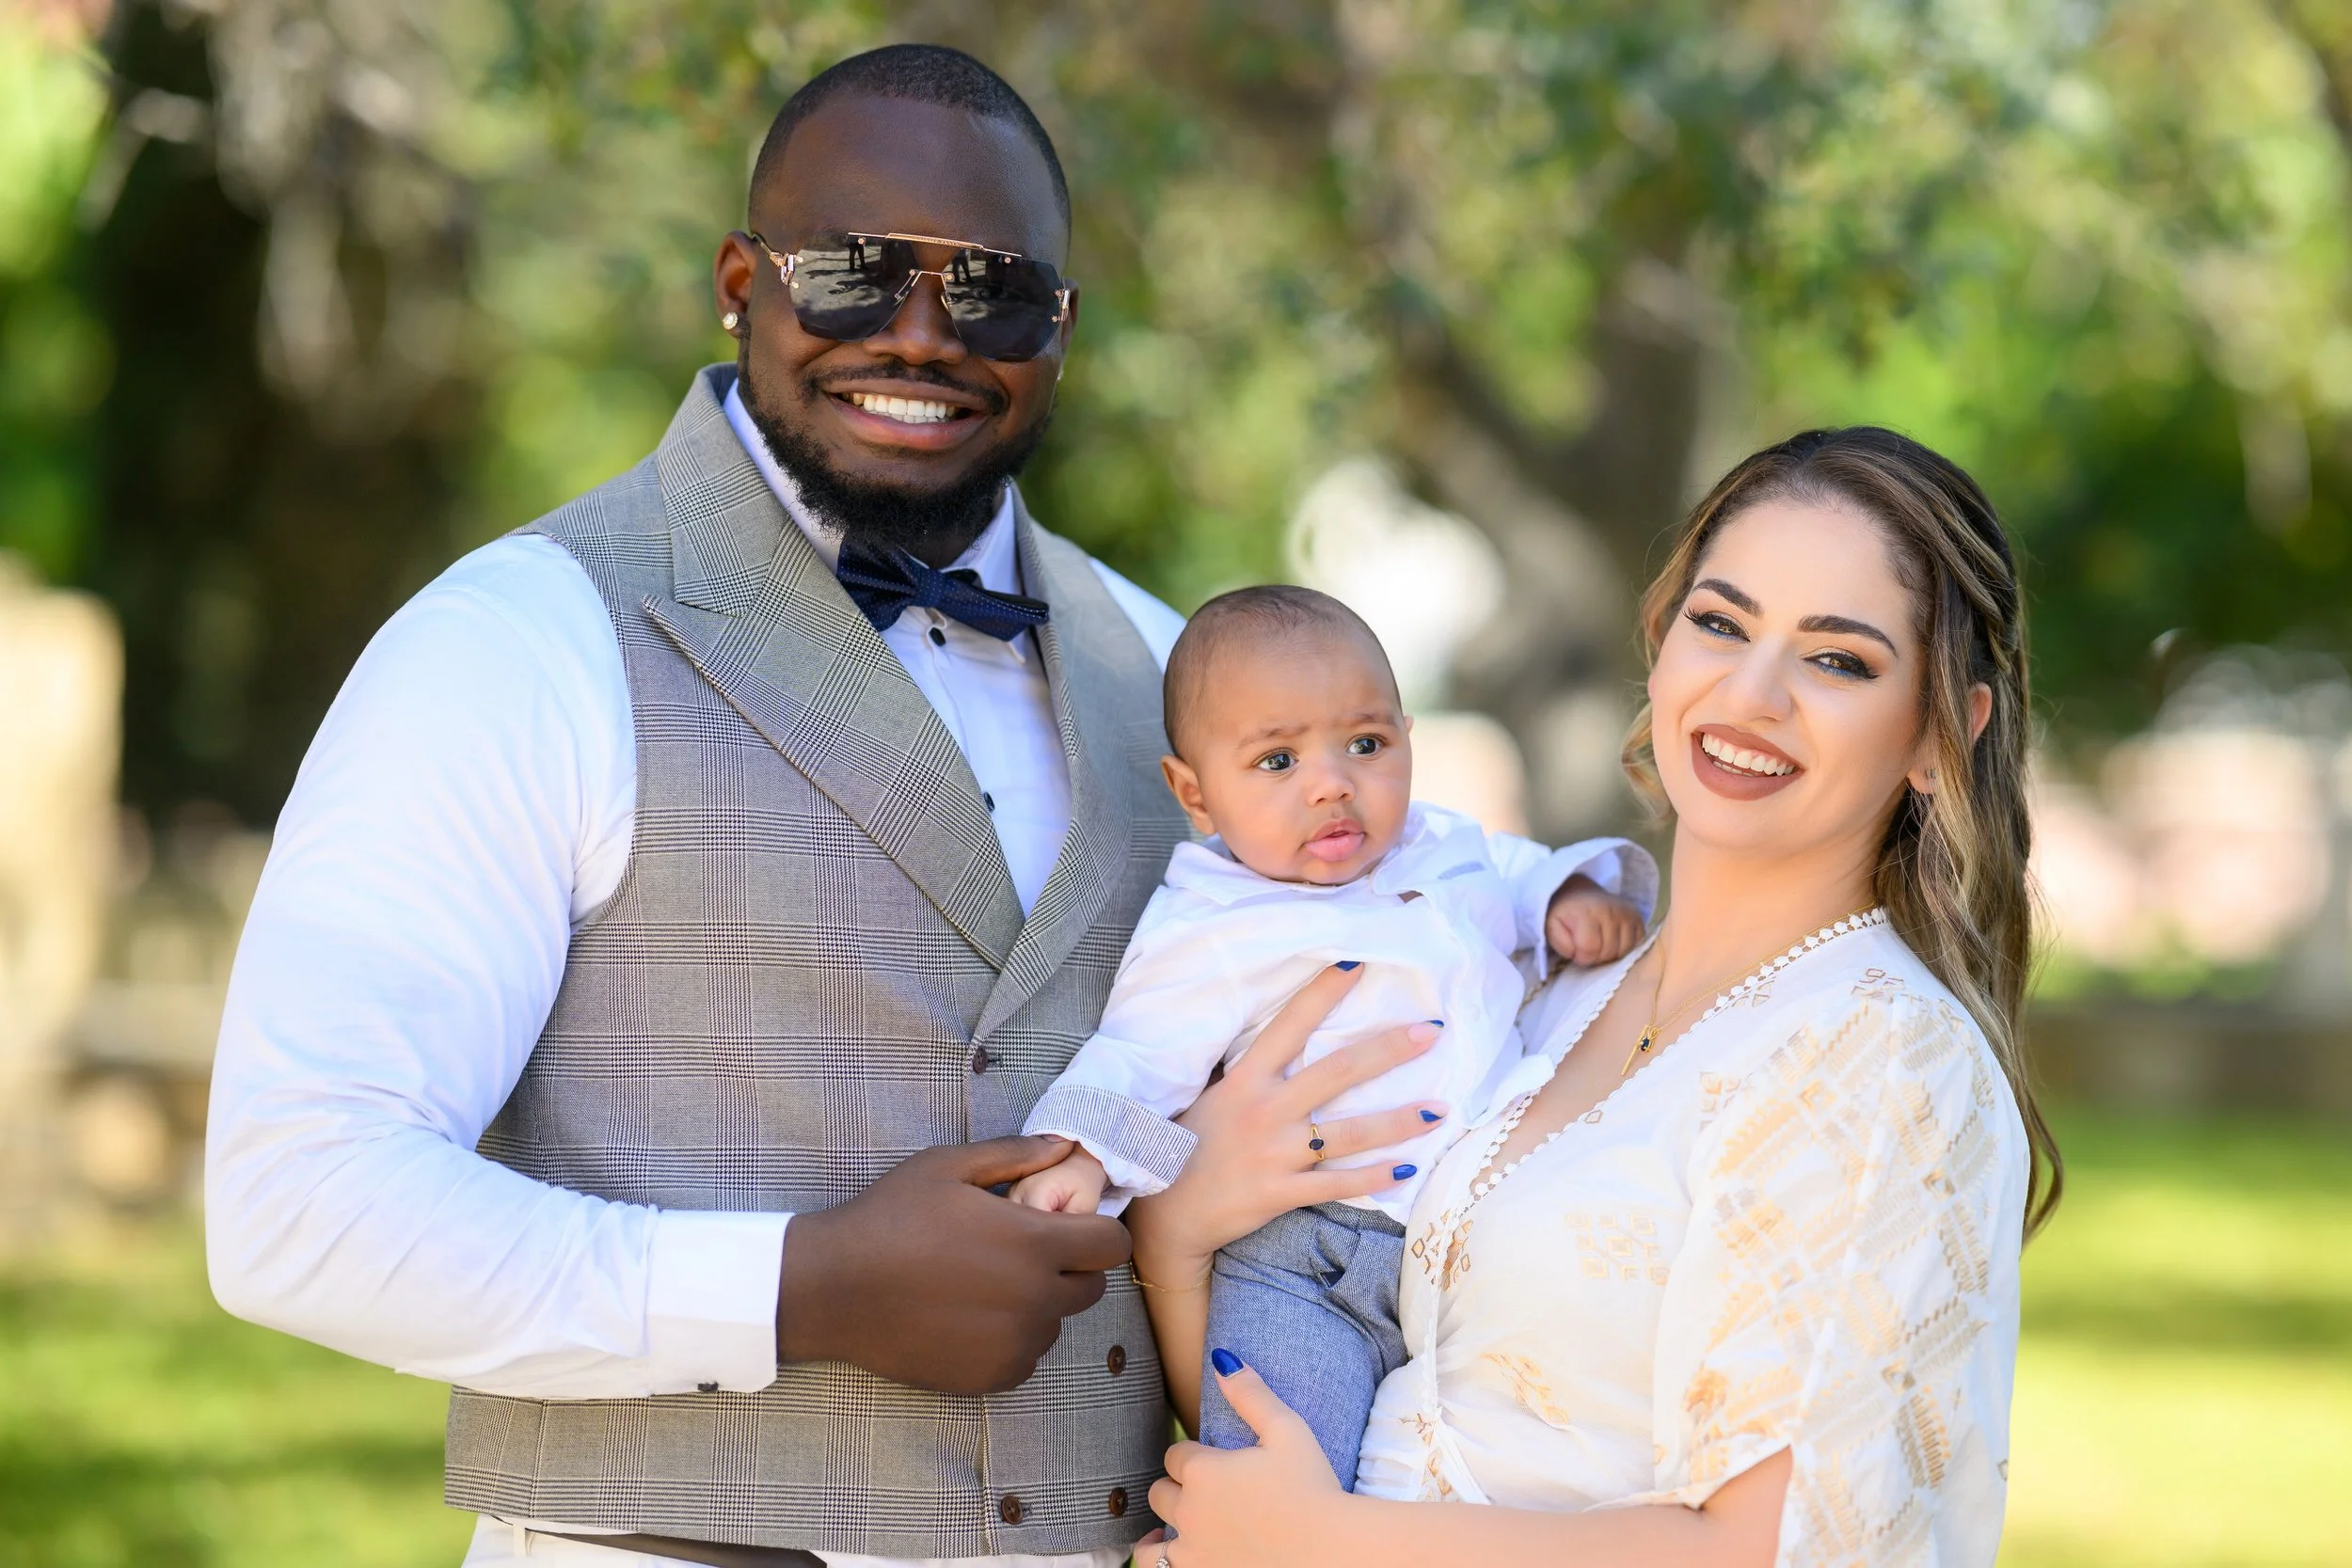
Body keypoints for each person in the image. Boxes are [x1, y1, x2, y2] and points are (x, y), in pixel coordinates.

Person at [207, 44, 1211, 1568]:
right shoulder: (520, 640)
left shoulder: (1174, 672)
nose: (922, 334)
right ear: (743, 283)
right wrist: (800, 1285)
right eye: (854, 273)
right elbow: (299, 1200)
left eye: (995, 292)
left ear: (1060, 330)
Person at [1123, 426, 2064, 1568]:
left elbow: (1778, 1548)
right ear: (1661, 645)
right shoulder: (1554, 984)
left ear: (1938, 734)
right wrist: (1174, 1237)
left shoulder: (1878, 1051)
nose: (1750, 692)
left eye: (1836, 659)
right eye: (1720, 623)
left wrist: (1327, 1540)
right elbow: (1301, 1448)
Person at [1005, 584, 1654, 1489]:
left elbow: (1518, 873)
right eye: (1277, 760)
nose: (1331, 782)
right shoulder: (1210, 922)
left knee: (1469, 1473)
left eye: (1366, 744)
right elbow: (1139, 1052)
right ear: (1196, 793)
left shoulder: (1443, 846)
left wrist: (1566, 897)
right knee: (1279, 1461)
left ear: (1407, 739)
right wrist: (1080, 1158)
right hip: (1302, 1261)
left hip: (1469, 1241)